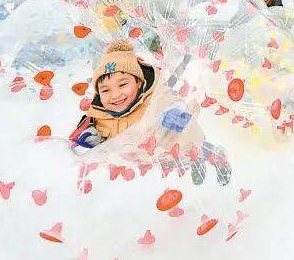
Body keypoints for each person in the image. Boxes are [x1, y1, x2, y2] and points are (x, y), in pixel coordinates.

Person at [70, 41, 230, 185]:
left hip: (174, 140)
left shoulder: (154, 97)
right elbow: (99, 133)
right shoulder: (101, 115)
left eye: (123, 84)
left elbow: (175, 100)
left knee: (197, 150)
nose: (115, 95)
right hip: (156, 157)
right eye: (105, 90)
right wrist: (93, 137)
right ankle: (195, 164)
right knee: (181, 165)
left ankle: (218, 158)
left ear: (139, 82)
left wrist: (174, 111)